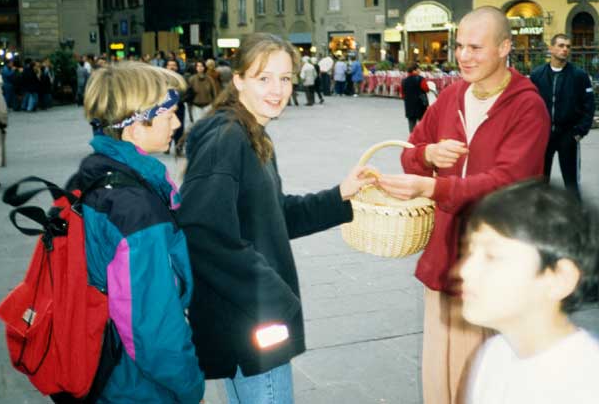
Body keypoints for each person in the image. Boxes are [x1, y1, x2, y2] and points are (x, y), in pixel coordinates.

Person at [177, 33, 373, 404]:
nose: (277, 89)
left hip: (248, 318)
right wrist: (272, 295)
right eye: (263, 78)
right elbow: (202, 231)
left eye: (285, 79)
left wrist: (339, 195)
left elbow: (274, 214)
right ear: (238, 80)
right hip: (250, 322)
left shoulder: (249, 132)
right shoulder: (227, 138)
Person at [376, 6, 551, 404]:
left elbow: (508, 182)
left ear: (505, 47)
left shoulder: (528, 106)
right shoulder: (452, 95)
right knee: (440, 365)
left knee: (483, 369)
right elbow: (410, 152)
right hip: (445, 254)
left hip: (497, 258)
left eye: (476, 47)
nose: (464, 56)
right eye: (459, 46)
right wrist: (429, 154)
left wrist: (434, 188)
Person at [68, 61, 205, 402]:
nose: (177, 122)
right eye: (169, 113)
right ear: (134, 126)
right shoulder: (135, 209)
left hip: (109, 369)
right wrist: (191, 389)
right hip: (137, 387)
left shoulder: (97, 173)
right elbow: (152, 327)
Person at [456, 181, 599, 404]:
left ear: (560, 278)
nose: (465, 270)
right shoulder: (495, 353)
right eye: (470, 251)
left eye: (492, 256)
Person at [529, 34, 595, 198]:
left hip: (568, 134)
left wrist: (580, 131)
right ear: (551, 49)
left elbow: (589, 105)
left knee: (571, 183)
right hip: (544, 136)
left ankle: (576, 218)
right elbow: (529, 105)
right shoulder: (537, 75)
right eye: (560, 45)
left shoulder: (579, 75)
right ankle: (539, 215)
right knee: (540, 181)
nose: (565, 49)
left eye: (568, 46)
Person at [187, 60, 219, 124]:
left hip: (208, 105)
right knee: (198, 124)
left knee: (208, 124)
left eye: (201, 66)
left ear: (204, 67)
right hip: (196, 106)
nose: (200, 68)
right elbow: (188, 95)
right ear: (195, 68)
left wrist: (215, 105)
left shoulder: (209, 79)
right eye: (198, 66)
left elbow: (214, 92)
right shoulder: (191, 79)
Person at [401, 63, 429, 132]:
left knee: (411, 124)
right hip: (420, 105)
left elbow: (402, 94)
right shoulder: (421, 79)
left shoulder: (404, 81)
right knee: (422, 123)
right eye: (418, 69)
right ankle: (422, 138)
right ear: (414, 71)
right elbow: (426, 89)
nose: (419, 71)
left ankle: (412, 139)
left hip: (409, 105)